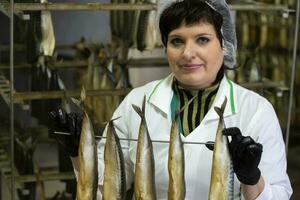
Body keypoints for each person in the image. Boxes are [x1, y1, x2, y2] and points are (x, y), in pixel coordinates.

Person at [50, 0, 293, 199]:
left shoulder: (256, 111)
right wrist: (77, 152)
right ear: (165, 47)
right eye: (177, 41)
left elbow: (279, 195)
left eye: (202, 39)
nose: (188, 53)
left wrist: (252, 178)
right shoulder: (138, 101)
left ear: (225, 46)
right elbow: (104, 187)